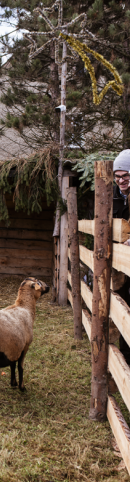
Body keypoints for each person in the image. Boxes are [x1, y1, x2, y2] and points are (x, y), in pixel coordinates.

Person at [113, 150, 130, 363]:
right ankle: (125, 358)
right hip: (122, 263)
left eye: (125, 175)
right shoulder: (116, 196)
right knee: (123, 305)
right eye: (117, 176)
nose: (121, 180)